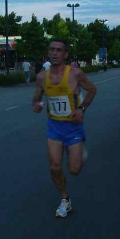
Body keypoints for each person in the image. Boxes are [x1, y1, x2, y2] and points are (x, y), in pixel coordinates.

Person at [33, 39, 97, 218]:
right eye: (52, 49)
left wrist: (82, 108)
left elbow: (92, 89)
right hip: (54, 126)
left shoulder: (75, 74)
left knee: (74, 170)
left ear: (65, 54)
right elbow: (36, 97)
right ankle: (65, 200)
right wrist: (37, 104)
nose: (54, 53)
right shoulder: (41, 77)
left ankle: (79, 153)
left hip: (73, 127)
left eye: (59, 50)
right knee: (54, 166)